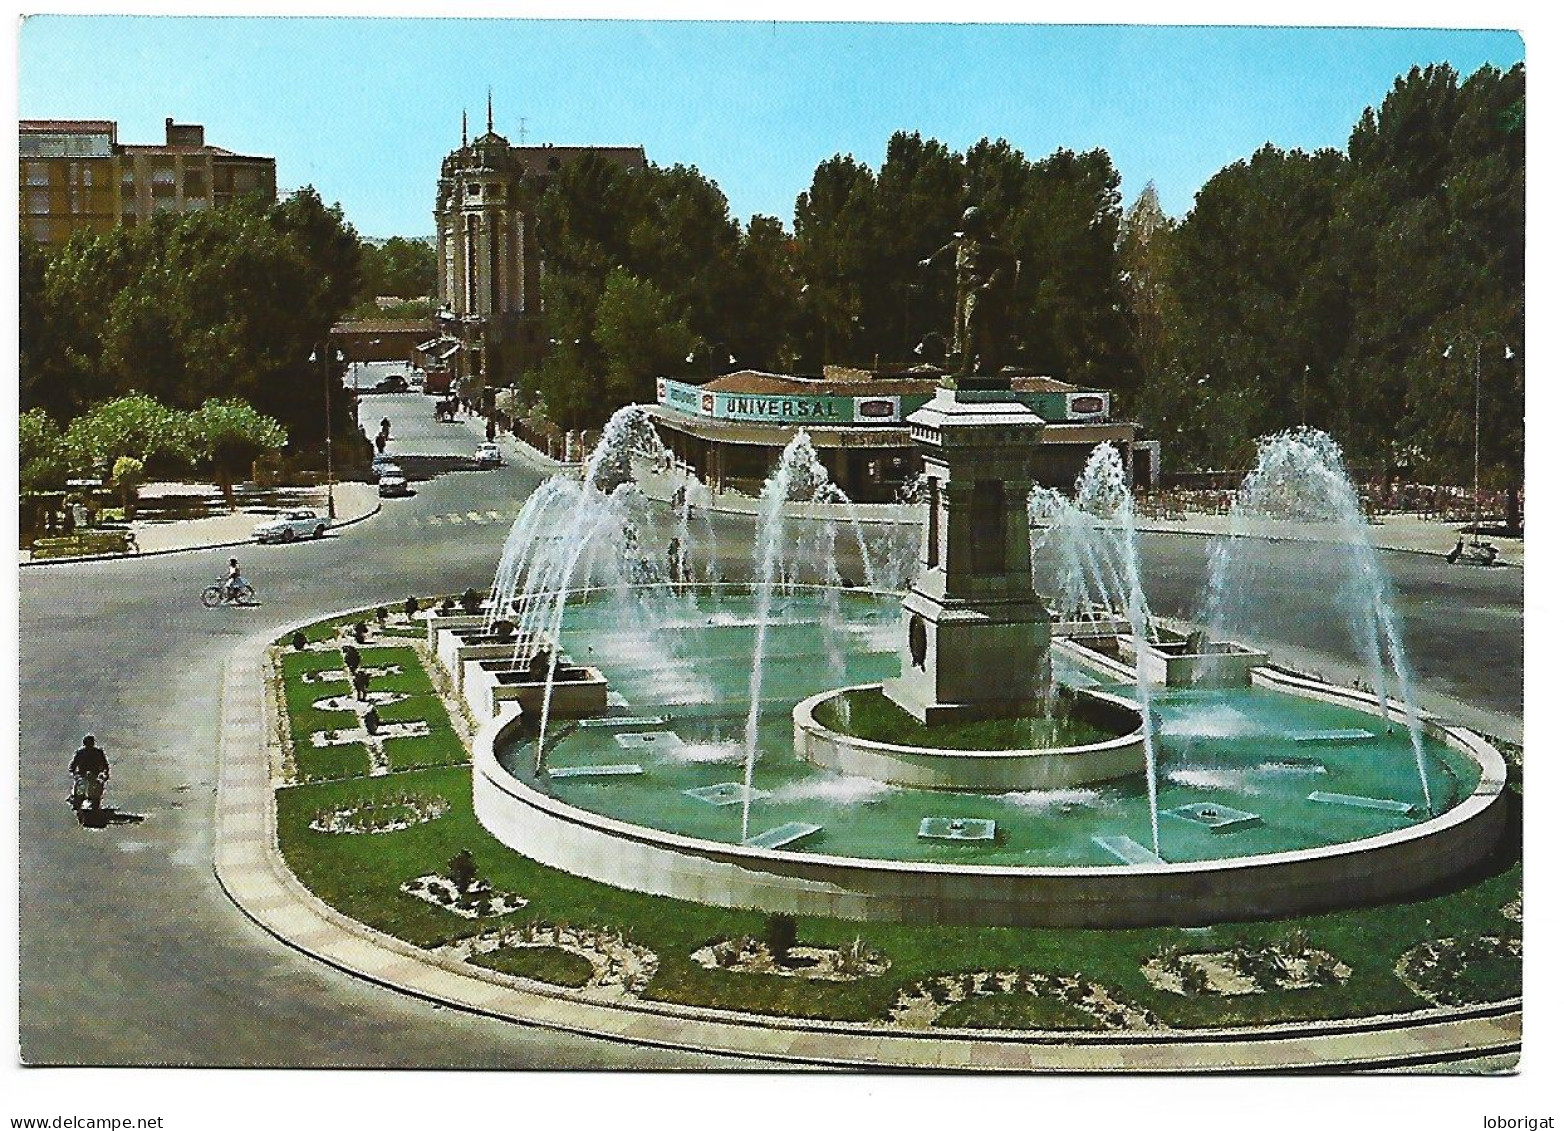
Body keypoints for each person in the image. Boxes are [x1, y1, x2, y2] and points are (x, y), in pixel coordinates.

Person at [69, 735, 110, 811]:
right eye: (88, 744)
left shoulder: (98, 753)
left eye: (90, 743)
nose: (89, 746)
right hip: (82, 776)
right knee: (79, 792)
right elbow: (72, 766)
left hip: (95, 776)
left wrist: (105, 774)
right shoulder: (80, 753)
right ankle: (77, 804)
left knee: (96, 792)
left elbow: (105, 765)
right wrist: (75, 774)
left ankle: (95, 806)